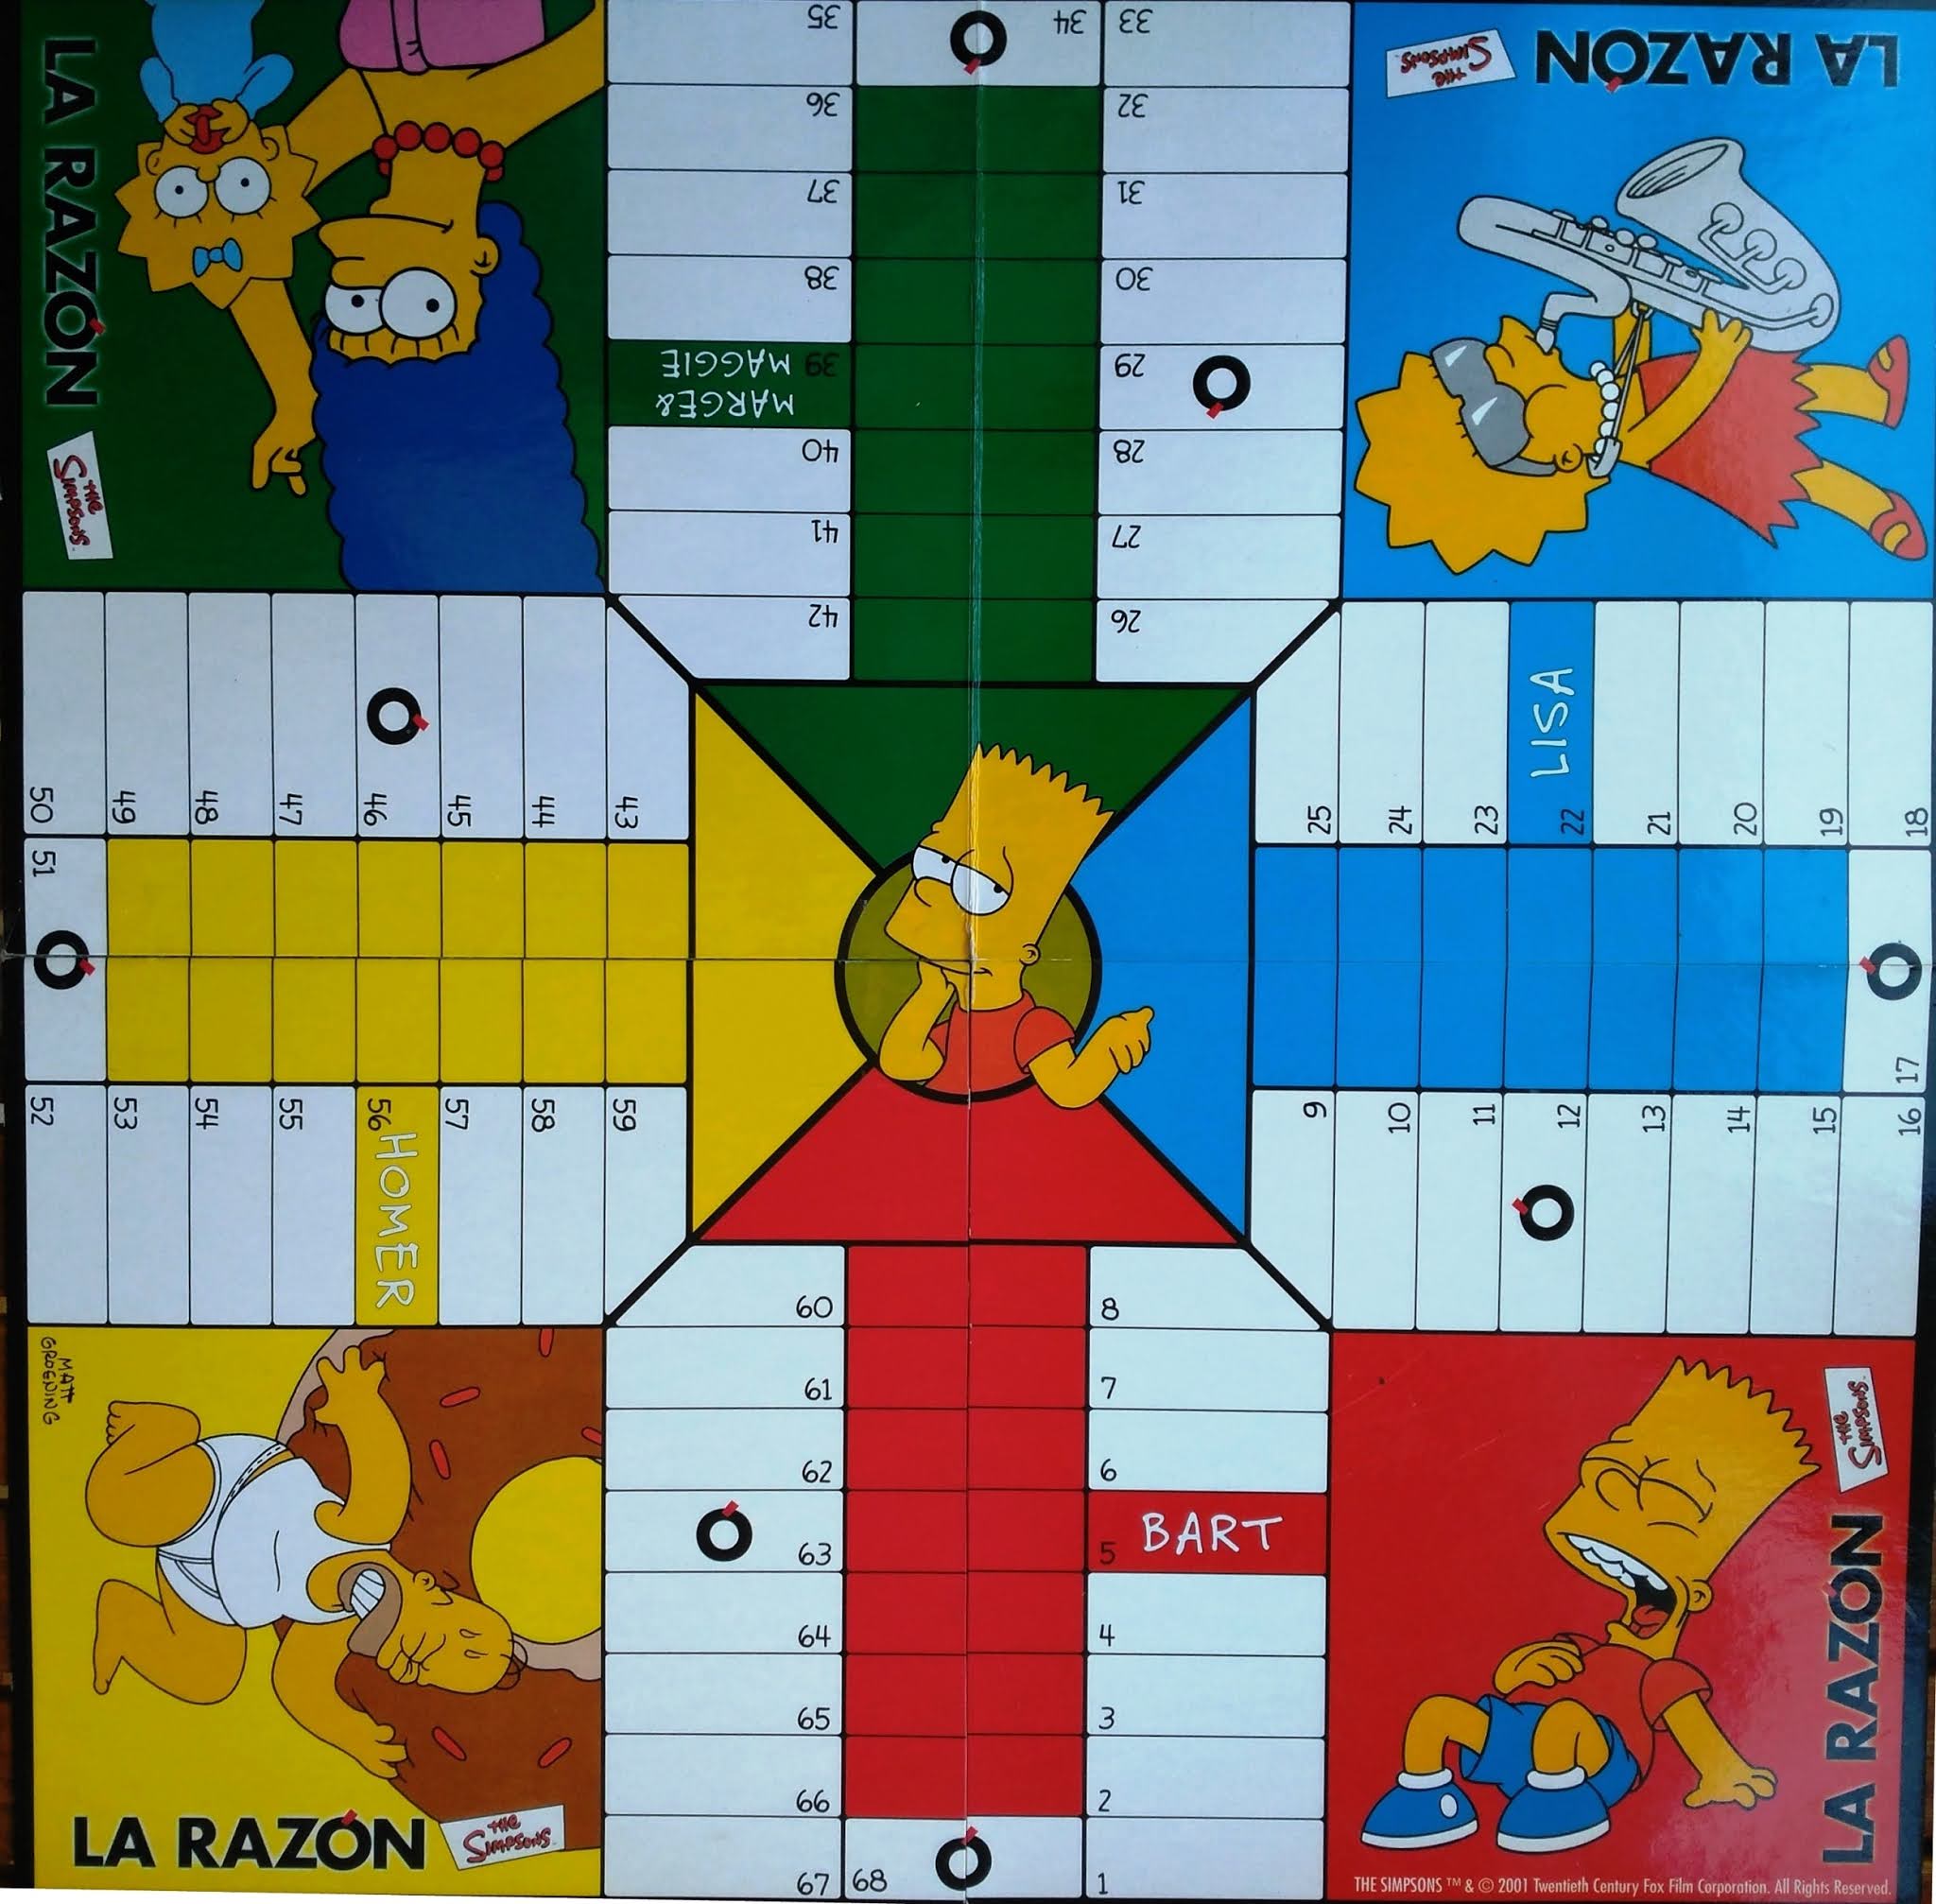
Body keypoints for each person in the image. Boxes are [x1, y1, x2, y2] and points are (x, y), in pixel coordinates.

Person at [1359, 1359, 1817, 1855]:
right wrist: (1520, 1667)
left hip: (1601, 1761)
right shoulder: (1582, 1648)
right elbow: (1511, 1684)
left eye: (1663, 1499)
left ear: (1695, 1596)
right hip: (1528, 1734)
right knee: (1435, 1715)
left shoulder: (1660, 1675)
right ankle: (1429, 1804)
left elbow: (1693, 1728)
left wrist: (1725, 1773)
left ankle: (1560, 1806)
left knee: (1565, 1721)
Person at [87, 1344, 519, 1782]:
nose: (419, 1653)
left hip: (203, 1585)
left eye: (423, 1669)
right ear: (428, 1586)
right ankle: (162, 1431)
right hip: (226, 1491)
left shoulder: (328, 1633)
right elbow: (381, 1460)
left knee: (208, 1680)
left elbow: (297, 1686)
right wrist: (356, 1399)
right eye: (450, 1636)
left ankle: (124, 1617)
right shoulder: (367, 1527)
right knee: (115, 1510)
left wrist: (348, 1733)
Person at [1356, 307, 1922, 573]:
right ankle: (1873, 511)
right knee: (1799, 472)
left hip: (1674, 381)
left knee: (1785, 385)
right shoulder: (1626, 445)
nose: (1503, 357)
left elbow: (1631, 368)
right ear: (1561, 459)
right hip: (1700, 438)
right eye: (1502, 399)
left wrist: (1631, 311)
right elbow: (1666, 428)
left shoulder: (1601, 397)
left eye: (1480, 365)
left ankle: (1871, 395)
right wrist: (1714, 361)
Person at [877, 747, 1155, 1108]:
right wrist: (929, 993)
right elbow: (902, 1063)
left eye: (976, 889)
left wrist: (1109, 1045)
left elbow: (1069, 1089)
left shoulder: (1033, 1026)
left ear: (1027, 953)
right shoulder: (958, 1022)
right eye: (934, 863)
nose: (927, 891)